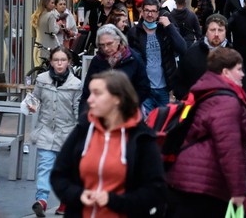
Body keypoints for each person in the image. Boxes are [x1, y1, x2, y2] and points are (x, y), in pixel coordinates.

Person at [166, 49, 246, 218]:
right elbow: (229, 149)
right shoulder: (225, 101)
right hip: (205, 185)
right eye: (238, 70)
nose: (242, 74)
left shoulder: (205, 91)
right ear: (225, 72)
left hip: (191, 181)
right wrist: (238, 191)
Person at [51, 70, 166, 217]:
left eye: (97, 93)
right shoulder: (83, 130)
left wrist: (114, 200)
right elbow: (58, 175)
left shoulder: (141, 138)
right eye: (90, 93)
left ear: (117, 98)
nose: (90, 100)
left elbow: (155, 190)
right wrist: (78, 195)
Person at [29, 47, 82, 217]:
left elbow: (77, 109)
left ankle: (64, 202)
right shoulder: (42, 79)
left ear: (69, 62)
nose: (59, 63)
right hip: (46, 130)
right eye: (56, 60)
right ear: (51, 62)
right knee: (45, 166)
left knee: (66, 170)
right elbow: (35, 98)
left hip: (67, 133)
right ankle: (42, 200)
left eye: (63, 60)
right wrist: (31, 105)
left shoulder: (76, 84)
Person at [127, 0, 187, 110]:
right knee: (146, 123)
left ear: (158, 13)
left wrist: (169, 26)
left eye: (153, 11)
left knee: (163, 123)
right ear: (142, 12)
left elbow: (182, 48)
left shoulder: (164, 30)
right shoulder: (134, 32)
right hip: (145, 88)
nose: (150, 14)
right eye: (147, 11)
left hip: (164, 88)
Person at [79, 24, 150, 117]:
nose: (106, 48)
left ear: (118, 40)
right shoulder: (97, 60)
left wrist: (128, 105)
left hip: (128, 112)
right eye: (102, 45)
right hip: (102, 112)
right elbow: (87, 91)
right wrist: (83, 116)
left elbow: (144, 88)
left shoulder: (133, 58)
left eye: (109, 44)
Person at [175, 13, 231, 99]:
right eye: (212, 30)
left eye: (220, 30)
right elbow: (180, 82)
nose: (216, 34)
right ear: (206, 32)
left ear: (226, 32)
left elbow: (243, 85)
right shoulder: (192, 53)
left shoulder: (233, 55)